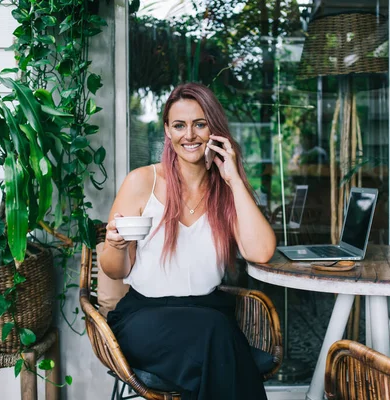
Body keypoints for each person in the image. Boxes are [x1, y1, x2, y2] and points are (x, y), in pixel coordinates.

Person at [100, 83, 277, 400]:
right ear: (167, 131)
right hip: (145, 318)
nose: (190, 135)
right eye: (179, 125)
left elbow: (261, 252)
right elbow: (115, 271)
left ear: (214, 129)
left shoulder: (225, 190)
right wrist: (115, 246)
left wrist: (234, 179)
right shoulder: (142, 181)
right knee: (222, 341)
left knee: (216, 340)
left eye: (200, 124)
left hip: (209, 315)